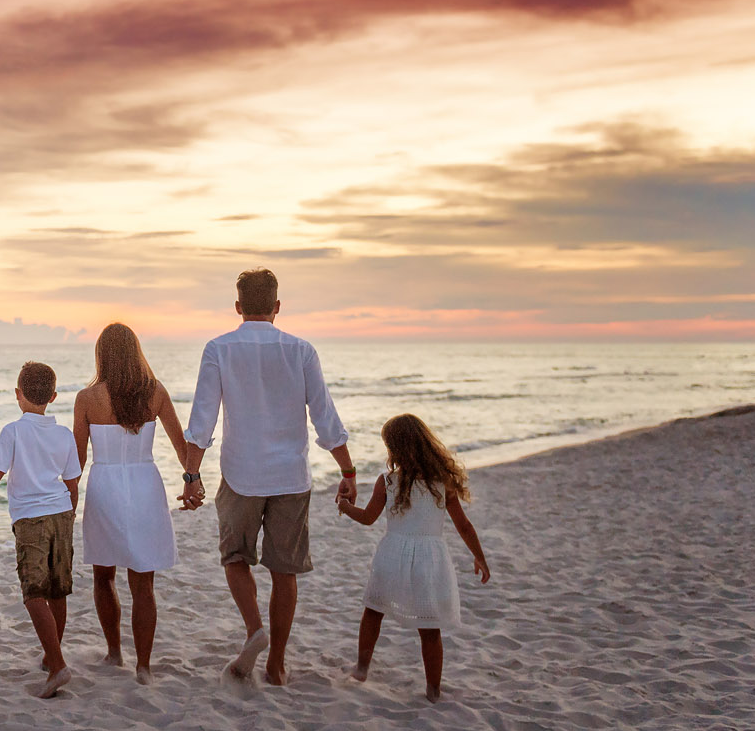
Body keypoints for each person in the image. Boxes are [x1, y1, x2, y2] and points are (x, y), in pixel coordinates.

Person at [184, 268, 356, 687]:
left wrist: (191, 475)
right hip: (290, 477)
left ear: (238, 307)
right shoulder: (301, 351)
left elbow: (202, 420)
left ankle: (254, 629)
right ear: (277, 307)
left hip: (241, 474)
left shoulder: (219, 348)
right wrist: (348, 470)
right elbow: (325, 418)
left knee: (235, 558)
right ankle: (277, 663)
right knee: (285, 572)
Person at [0, 361, 82, 699]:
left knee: (34, 593)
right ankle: (53, 656)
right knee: (57, 590)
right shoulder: (64, 434)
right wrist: (69, 516)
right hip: (62, 513)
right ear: (53, 396)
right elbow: (72, 482)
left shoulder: (13, 431)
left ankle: (58, 664)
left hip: (31, 518)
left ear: (18, 395)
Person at [71, 323, 197, 684]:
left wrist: (63, 493)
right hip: (144, 485)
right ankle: (143, 666)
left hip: (105, 486)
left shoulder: (87, 398)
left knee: (103, 576)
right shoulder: (155, 392)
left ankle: (114, 652)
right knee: (143, 583)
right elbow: (182, 448)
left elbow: (77, 462)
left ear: (102, 356)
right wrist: (193, 479)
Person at [338, 413, 491, 701]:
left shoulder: (387, 481)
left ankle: (361, 668)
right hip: (430, 560)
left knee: (373, 611)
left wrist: (346, 507)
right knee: (429, 627)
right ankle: (433, 689)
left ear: (394, 448)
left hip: (392, 556)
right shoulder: (442, 482)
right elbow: (464, 525)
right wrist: (479, 557)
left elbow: (369, 518)